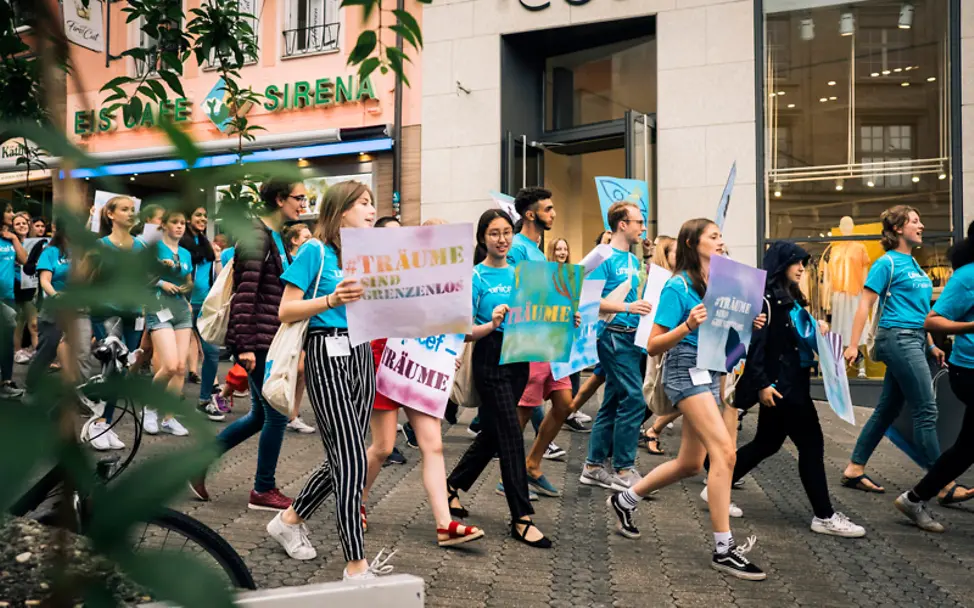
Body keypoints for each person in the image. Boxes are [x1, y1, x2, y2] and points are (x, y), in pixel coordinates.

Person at [606, 218, 768, 581]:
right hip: (684, 370)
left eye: (721, 236)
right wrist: (688, 326)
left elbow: (726, 335)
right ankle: (724, 548)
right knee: (725, 453)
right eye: (714, 236)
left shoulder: (723, 285)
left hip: (710, 369)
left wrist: (747, 325)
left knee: (691, 464)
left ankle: (625, 499)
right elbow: (653, 344)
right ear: (693, 243)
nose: (721, 242)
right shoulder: (678, 286)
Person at [266, 181, 394, 581]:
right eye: (364, 204)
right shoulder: (314, 251)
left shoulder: (366, 256)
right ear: (340, 212)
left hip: (360, 353)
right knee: (353, 458)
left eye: (372, 204)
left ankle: (288, 519)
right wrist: (330, 301)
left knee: (345, 456)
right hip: (325, 352)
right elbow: (286, 310)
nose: (372, 210)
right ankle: (356, 564)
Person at [718, 241, 866, 537]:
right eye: (796, 262)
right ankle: (824, 515)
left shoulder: (790, 298)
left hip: (789, 381)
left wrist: (817, 328)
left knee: (767, 443)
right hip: (782, 385)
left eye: (803, 263)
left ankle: (717, 487)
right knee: (811, 445)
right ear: (781, 264)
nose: (801, 268)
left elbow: (799, 333)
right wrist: (762, 385)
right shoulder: (767, 300)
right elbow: (756, 347)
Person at [361, 215, 484, 548]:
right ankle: (357, 500)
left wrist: (447, 352)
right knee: (383, 447)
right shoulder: (390, 269)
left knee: (434, 444)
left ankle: (445, 524)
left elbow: (450, 328)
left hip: (421, 368)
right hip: (384, 363)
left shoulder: (451, 280)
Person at [839, 206, 971, 501]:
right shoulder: (887, 263)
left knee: (887, 409)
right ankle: (943, 484)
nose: (921, 225)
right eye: (914, 221)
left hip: (913, 339)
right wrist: (852, 344)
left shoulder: (914, 265)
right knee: (926, 410)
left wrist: (931, 344)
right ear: (898, 229)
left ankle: (854, 468)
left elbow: (921, 313)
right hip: (896, 338)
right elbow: (865, 305)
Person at [190, 179, 304, 511]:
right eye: (299, 198)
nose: (303, 204)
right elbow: (244, 296)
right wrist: (245, 347)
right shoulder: (256, 237)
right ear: (280, 199)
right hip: (260, 340)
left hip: (269, 336)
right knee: (277, 415)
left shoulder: (273, 237)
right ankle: (263, 489)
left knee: (259, 415)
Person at [445, 209, 552, 550]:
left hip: (520, 356)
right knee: (509, 434)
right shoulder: (475, 278)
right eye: (494, 233)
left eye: (507, 232)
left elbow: (541, 316)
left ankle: (451, 486)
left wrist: (565, 318)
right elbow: (462, 331)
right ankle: (522, 518)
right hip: (490, 355)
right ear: (482, 239)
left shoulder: (525, 276)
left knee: (493, 433)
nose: (502, 239)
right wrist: (490, 324)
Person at [894, 220, 974, 531]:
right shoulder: (967, 276)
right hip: (969, 371)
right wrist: (970, 327)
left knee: (968, 446)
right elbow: (932, 321)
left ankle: (915, 498)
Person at [578, 201, 654, 492]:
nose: (643, 227)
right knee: (634, 398)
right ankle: (623, 469)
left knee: (612, 401)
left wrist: (649, 259)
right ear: (622, 224)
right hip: (611, 334)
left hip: (629, 336)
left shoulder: (632, 260)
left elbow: (640, 294)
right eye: (638, 222)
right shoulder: (602, 256)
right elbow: (586, 298)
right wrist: (627, 307)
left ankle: (594, 465)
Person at [501, 187, 572, 498]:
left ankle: (532, 464)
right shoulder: (517, 247)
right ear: (530, 214)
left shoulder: (537, 249)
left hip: (548, 337)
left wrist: (566, 312)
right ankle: (511, 476)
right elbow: (514, 291)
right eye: (548, 208)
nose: (553, 213)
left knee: (565, 403)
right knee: (524, 411)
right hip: (527, 339)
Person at [143, 209, 194, 437]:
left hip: (181, 309)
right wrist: (161, 282)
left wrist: (185, 288)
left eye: (183, 222)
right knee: (170, 365)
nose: (180, 226)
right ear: (163, 225)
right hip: (158, 307)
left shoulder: (185, 253)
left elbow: (189, 281)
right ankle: (150, 407)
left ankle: (169, 417)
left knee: (181, 368)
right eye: (175, 222)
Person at [181, 206, 229, 422]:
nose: (202, 218)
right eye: (198, 215)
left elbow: (218, 278)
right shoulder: (182, 243)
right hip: (184, 305)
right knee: (176, 358)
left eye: (204, 215)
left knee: (211, 353)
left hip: (205, 307)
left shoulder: (207, 244)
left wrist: (217, 258)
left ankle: (203, 400)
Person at [640, 235, 682, 455]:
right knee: (645, 397)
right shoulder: (666, 282)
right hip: (654, 344)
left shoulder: (680, 280)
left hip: (669, 346)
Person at [548, 237, 590, 434]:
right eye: (558, 249)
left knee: (573, 370)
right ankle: (564, 412)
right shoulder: (547, 274)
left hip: (570, 328)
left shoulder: (572, 274)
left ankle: (570, 411)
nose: (562, 253)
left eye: (565, 249)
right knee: (557, 376)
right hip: (553, 331)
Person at [280, 222, 315, 435]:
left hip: (304, 322)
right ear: (294, 240)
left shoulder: (312, 259)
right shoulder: (288, 261)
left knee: (301, 371)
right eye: (306, 236)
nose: (310, 240)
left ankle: (293, 414)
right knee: (291, 368)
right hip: (287, 322)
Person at [11, 212, 37, 365]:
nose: (21, 226)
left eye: (24, 223)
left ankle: (36, 351)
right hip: (15, 285)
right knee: (19, 321)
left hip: (31, 286)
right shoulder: (9, 243)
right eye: (17, 224)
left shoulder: (36, 242)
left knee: (33, 322)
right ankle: (17, 351)